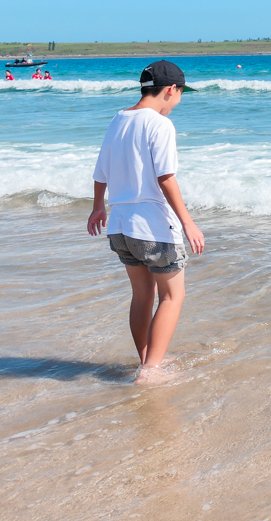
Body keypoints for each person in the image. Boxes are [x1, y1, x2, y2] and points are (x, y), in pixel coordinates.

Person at [87, 60, 205, 385]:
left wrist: (98, 208)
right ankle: (151, 370)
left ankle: (147, 360)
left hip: (120, 227)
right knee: (172, 296)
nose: (178, 101)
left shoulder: (118, 119)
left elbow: (100, 172)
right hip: (153, 226)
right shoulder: (160, 124)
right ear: (171, 90)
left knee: (142, 296)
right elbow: (166, 177)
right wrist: (188, 222)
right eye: (180, 94)